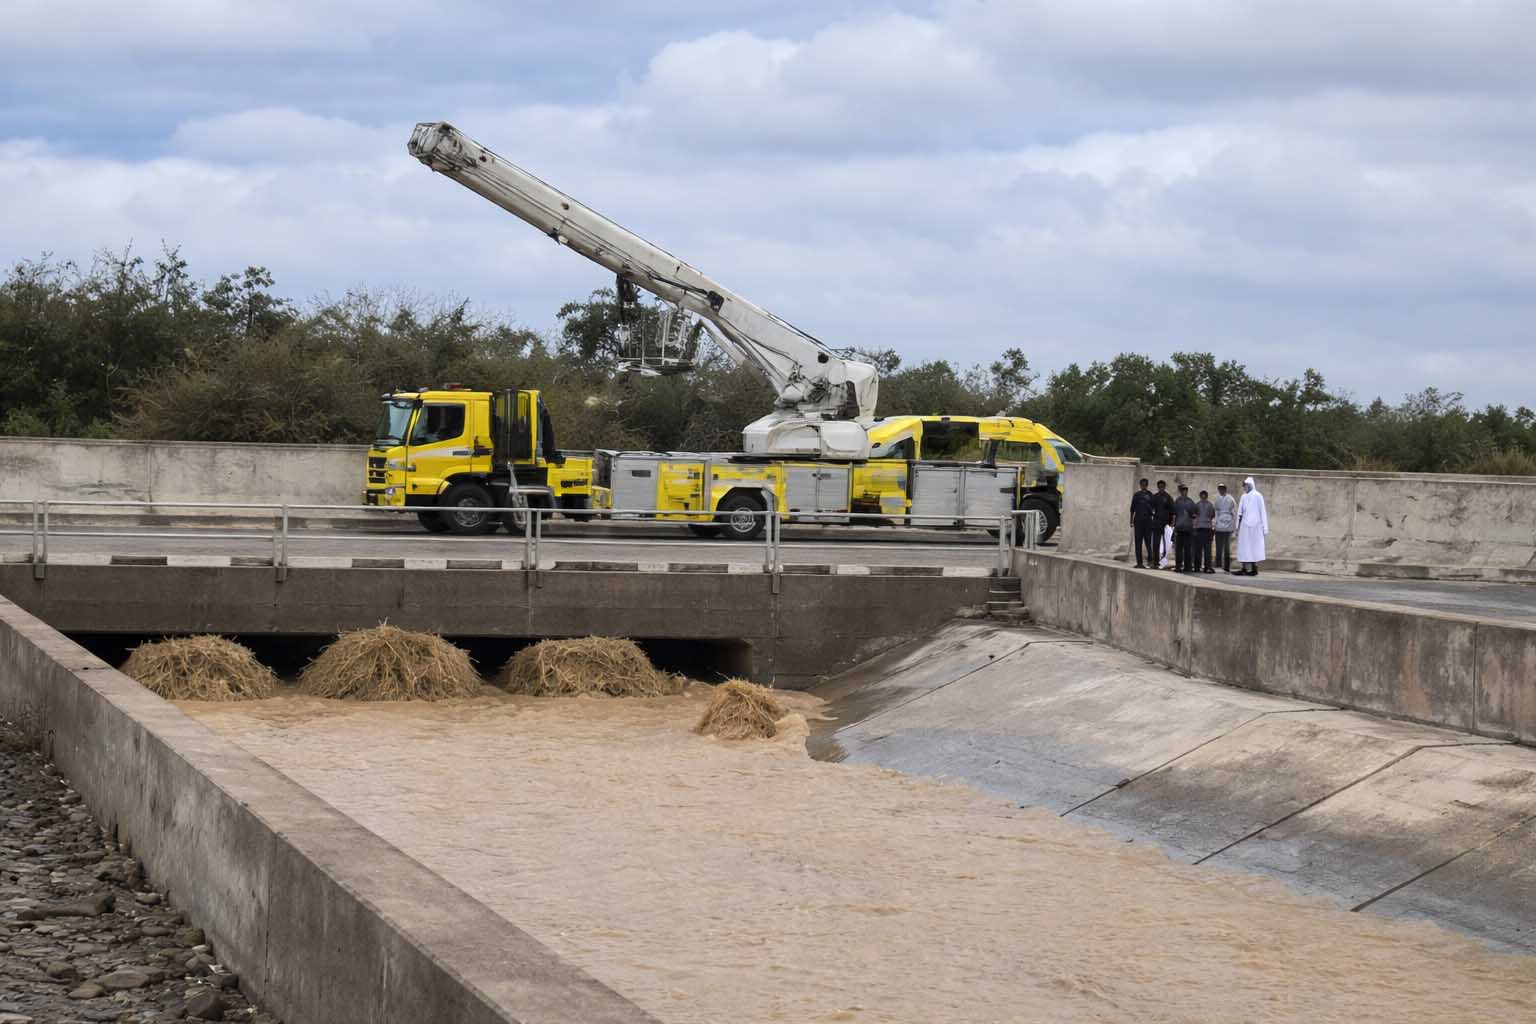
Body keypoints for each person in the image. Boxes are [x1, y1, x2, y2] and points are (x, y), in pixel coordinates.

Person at [1236, 476, 1268, 576]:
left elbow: (1262, 511)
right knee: (1244, 547)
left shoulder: (1258, 496)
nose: (1244, 487)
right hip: (1245, 526)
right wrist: (1238, 526)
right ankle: (1244, 568)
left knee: (1254, 547)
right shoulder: (1243, 497)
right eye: (1243, 486)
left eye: (1245, 485)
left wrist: (1264, 527)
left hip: (1256, 526)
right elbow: (1240, 513)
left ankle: (1254, 568)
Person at [1129, 478, 1156, 568]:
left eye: (1145, 484)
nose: (1143, 486)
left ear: (1147, 485)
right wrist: (1131, 521)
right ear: (1140, 485)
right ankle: (1139, 563)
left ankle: (1150, 561)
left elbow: (1154, 508)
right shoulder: (1136, 495)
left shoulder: (1151, 495)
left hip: (1148, 521)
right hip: (1138, 521)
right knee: (1138, 542)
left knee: (1148, 542)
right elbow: (1132, 509)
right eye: (1142, 484)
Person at [1171, 484, 1197, 572]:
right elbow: (1174, 514)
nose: (1184, 491)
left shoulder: (1191, 502)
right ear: (1181, 491)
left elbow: (1194, 514)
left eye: (1186, 490)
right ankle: (1178, 566)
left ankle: (1187, 566)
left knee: (1187, 549)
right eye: (1183, 490)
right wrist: (1173, 526)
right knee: (1178, 549)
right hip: (1179, 528)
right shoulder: (1177, 501)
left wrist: (1192, 516)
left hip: (1188, 528)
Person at [1212, 483, 1237, 573]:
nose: (1221, 490)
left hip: (1228, 525)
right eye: (1220, 489)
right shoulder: (1217, 499)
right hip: (1219, 525)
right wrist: (1214, 524)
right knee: (1218, 546)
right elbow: (1215, 512)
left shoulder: (1230, 499)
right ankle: (1218, 564)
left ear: (1225, 489)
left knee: (1226, 547)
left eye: (1222, 488)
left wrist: (1234, 526)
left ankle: (1226, 565)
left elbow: (1234, 512)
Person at [1150, 480, 1174, 568]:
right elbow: (1151, 509)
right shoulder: (1155, 497)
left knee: (1167, 544)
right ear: (1158, 487)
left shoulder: (1168, 497)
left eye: (1162, 487)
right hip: (1156, 524)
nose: (1161, 488)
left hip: (1165, 525)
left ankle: (1164, 561)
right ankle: (1155, 562)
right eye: (1159, 487)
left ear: (1164, 487)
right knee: (1156, 543)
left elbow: (1172, 511)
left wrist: (1170, 523)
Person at [1195, 489, 1216, 573]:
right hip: (1207, 528)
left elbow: (1195, 515)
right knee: (1207, 549)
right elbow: (1212, 515)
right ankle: (1207, 567)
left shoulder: (1197, 505)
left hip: (1200, 528)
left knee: (1199, 549)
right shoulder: (1210, 505)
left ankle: (1197, 567)